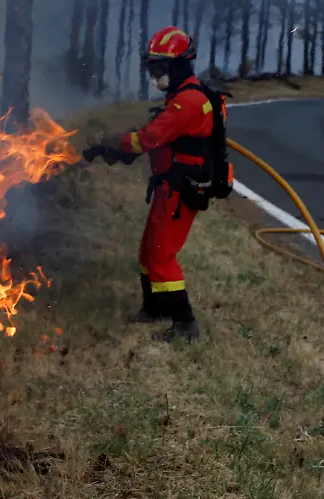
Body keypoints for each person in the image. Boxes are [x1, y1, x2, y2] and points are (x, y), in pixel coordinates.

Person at [83, 25, 232, 344]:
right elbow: (159, 138)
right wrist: (117, 152)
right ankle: (153, 308)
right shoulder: (180, 96)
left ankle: (185, 324)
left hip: (181, 189)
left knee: (161, 254)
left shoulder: (187, 102)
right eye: (152, 68)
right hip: (169, 186)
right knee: (148, 249)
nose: (155, 76)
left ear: (179, 66)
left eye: (160, 68)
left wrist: (110, 140)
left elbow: (149, 138)